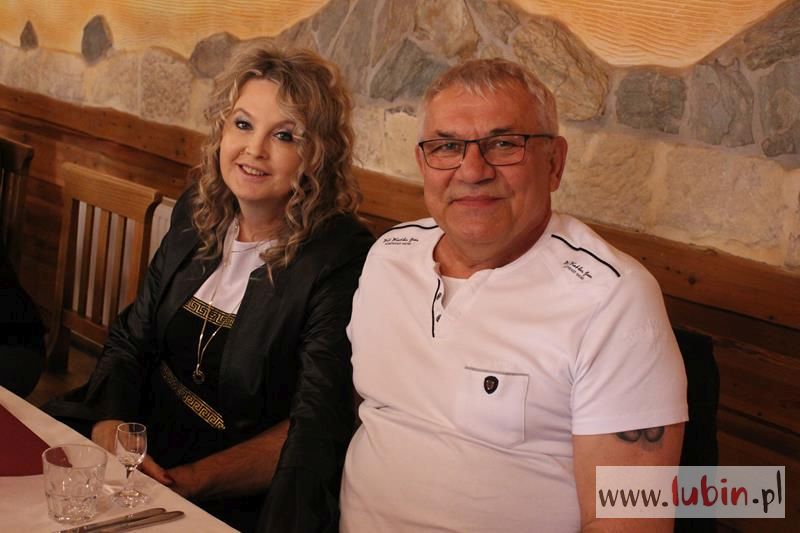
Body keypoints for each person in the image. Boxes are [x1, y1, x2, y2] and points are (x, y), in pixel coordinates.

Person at [340, 58, 688, 532]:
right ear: (423, 164)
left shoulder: (614, 299)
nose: (472, 170)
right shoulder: (388, 256)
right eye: (447, 146)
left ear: (554, 163)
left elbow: (630, 521)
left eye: (504, 144)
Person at [46, 43, 373, 532]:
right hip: (142, 448)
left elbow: (315, 422)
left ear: (317, 155)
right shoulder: (196, 212)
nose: (254, 149)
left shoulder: (339, 257)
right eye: (242, 124)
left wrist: (187, 482)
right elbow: (132, 339)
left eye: (284, 135)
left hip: (232, 486)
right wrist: (111, 427)